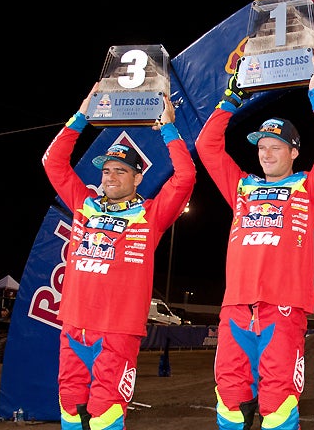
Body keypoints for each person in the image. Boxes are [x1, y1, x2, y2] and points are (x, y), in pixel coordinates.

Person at [195, 53, 314, 430]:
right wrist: (230, 98)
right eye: (262, 146)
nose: (265, 153)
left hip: (283, 308)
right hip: (235, 309)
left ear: (294, 152)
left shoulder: (308, 188)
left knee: (278, 403)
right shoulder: (242, 186)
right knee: (229, 400)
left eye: (275, 146)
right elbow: (207, 146)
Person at [42, 82, 196, 430]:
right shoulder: (86, 205)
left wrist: (169, 127)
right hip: (74, 324)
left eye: (120, 170)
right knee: (70, 409)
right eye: (106, 170)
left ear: (138, 177)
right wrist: (81, 115)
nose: (110, 177)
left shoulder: (151, 213)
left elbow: (185, 177)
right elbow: (53, 162)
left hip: (118, 330)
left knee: (105, 415)